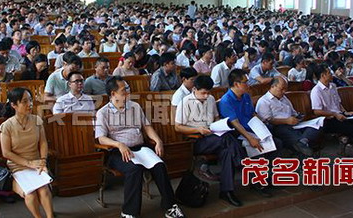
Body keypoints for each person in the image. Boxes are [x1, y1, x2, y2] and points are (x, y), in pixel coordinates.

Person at [95, 76, 186, 218]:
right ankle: (129, 212)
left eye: (128, 89)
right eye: (124, 90)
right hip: (118, 152)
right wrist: (119, 144)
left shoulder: (134, 106)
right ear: (113, 94)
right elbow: (101, 138)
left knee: (160, 166)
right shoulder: (103, 113)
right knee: (134, 170)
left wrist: (157, 140)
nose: (128, 92)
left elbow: (147, 126)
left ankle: (170, 206)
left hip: (140, 148)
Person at [175, 75, 245, 206]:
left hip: (214, 136)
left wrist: (221, 125)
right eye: (203, 93)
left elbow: (216, 118)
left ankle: (227, 191)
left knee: (227, 151)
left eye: (208, 92)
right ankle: (240, 161)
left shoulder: (211, 99)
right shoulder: (184, 102)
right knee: (227, 140)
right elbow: (178, 127)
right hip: (196, 140)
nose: (206, 96)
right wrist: (198, 130)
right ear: (194, 89)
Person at [218, 69, 276, 197]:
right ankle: (257, 183)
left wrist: (262, 128)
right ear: (236, 84)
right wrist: (250, 138)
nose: (248, 84)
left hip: (252, 129)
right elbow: (235, 124)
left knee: (277, 143)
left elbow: (252, 114)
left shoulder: (246, 96)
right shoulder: (226, 100)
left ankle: (268, 178)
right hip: (237, 134)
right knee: (256, 148)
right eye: (245, 82)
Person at [0, 88, 54, 218]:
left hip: (37, 164)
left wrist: (42, 161)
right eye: (24, 101)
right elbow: (6, 153)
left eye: (30, 100)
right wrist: (28, 163)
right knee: (30, 193)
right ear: (14, 105)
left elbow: (43, 143)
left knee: (43, 189)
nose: (29, 104)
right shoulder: (6, 126)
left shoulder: (37, 120)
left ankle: (50, 216)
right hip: (18, 167)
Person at [311, 63, 353, 157]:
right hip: (329, 120)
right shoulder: (316, 91)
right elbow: (317, 111)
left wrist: (346, 112)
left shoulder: (333, 86)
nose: (332, 74)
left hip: (340, 115)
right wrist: (335, 114)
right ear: (323, 75)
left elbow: (338, 103)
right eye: (329, 73)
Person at [255, 77, 320, 156]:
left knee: (318, 125)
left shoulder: (284, 98)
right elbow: (267, 121)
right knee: (287, 132)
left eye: (285, 89)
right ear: (272, 86)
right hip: (278, 126)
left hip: (293, 123)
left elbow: (293, 112)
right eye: (282, 89)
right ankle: (303, 144)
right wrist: (286, 121)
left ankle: (302, 142)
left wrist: (298, 116)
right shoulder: (263, 101)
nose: (284, 91)